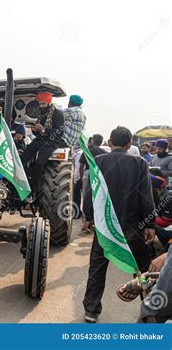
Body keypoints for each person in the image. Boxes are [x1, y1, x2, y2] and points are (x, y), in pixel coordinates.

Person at [82, 126, 155, 323]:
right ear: (130, 144)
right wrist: (150, 224)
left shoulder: (98, 161)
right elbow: (145, 195)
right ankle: (151, 310)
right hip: (133, 226)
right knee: (143, 271)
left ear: (110, 143)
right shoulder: (140, 163)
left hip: (105, 228)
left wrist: (88, 217)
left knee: (97, 269)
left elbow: (91, 193)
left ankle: (91, 310)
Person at [21, 92, 65, 195]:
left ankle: (37, 189)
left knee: (39, 163)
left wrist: (44, 130)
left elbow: (60, 131)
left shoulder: (57, 113)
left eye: (43, 104)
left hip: (52, 142)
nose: (41, 106)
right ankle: (25, 184)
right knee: (23, 158)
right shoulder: (41, 114)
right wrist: (35, 129)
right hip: (40, 140)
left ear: (49, 103)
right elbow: (38, 133)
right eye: (39, 104)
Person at [80, 134, 106, 229]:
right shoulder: (104, 153)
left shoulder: (87, 152)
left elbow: (81, 166)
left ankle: (86, 221)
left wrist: (82, 176)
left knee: (86, 197)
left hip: (88, 172)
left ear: (92, 141)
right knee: (98, 197)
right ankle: (95, 221)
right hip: (99, 175)